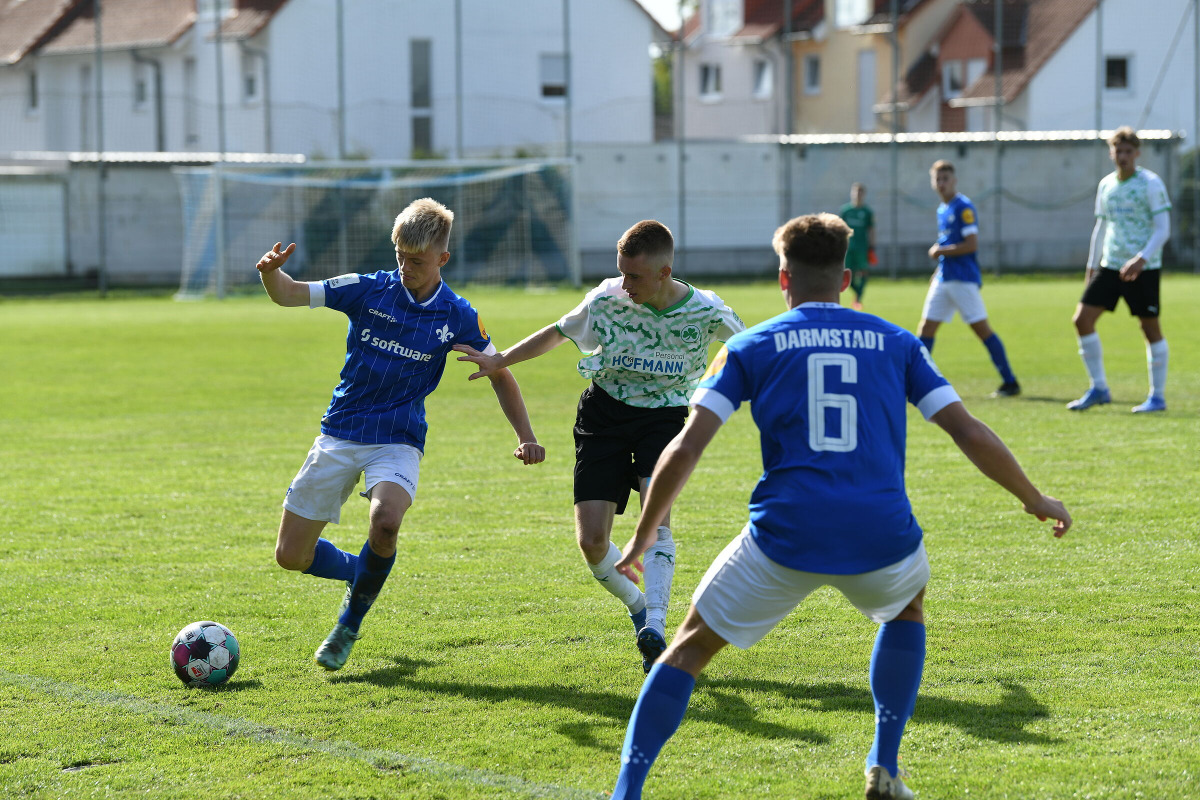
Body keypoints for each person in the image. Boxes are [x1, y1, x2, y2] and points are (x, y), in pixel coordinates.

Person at [608, 213, 1070, 800]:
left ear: (783, 279)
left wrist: (646, 533)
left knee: (691, 646)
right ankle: (884, 765)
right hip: (881, 533)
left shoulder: (750, 345)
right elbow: (967, 430)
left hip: (785, 535)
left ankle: (627, 790)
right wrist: (1034, 498)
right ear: (846, 278)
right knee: (905, 608)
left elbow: (686, 444)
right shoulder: (898, 343)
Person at [255, 197, 545, 672]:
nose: (406, 267)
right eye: (400, 256)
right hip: (341, 432)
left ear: (442, 260)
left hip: (399, 437)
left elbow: (500, 373)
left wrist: (526, 434)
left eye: (417, 260)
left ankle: (349, 624)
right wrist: (270, 274)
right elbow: (290, 293)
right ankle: (360, 572)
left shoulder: (458, 315)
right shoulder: (367, 289)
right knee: (290, 556)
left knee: (386, 521)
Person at [454, 220, 743, 672]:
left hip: (664, 419)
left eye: (636, 277)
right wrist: (499, 360)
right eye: (622, 273)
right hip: (603, 415)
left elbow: (749, 348)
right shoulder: (607, 298)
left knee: (655, 525)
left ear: (665, 272)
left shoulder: (705, 311)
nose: (626, 285)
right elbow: (556, 332)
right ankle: (640, 609)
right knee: (592, 542)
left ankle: (660, 629)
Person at [1068, 126, 1172, 413]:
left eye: (1129, 151)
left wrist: (1142, 258)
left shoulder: (1150, 184)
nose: (1123, 156)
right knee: (1082, 320)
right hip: (1110, 265)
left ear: (1137, 153)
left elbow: (1163, 229)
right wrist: (1092, 266)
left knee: (1149, 327)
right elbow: (1101, 228)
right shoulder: (1106, 186)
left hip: (1143, 267)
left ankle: (1157, 397)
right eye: (1118, 150)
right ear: (1111, 152)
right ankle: (1099, 388)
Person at [919, 160, 1021, 398]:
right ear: (933, 183)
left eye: (946, 179)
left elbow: (971, 245)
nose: (942, 183)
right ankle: (916, 381)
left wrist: (939, 252)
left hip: (963, 279)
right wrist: (938, 270)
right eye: (938, 179)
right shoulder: (942, 209)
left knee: (982, 330)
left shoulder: (963, 207)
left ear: (954, 181)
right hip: (944, 278)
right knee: (926, 328)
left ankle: (1010, 381)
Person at [839, 182, 876, 310]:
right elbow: (839, 228)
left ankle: (858, 299)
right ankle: (857, 293)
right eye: (855, 192)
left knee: (864, 272)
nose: (857, 195)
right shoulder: (845, 211)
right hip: (848, 248)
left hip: (862, 247)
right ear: (851, 193)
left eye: (860, 192)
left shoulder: (867, 212)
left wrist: (871, 246)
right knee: (847, 274)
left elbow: (871, 230)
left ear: (863, 194)